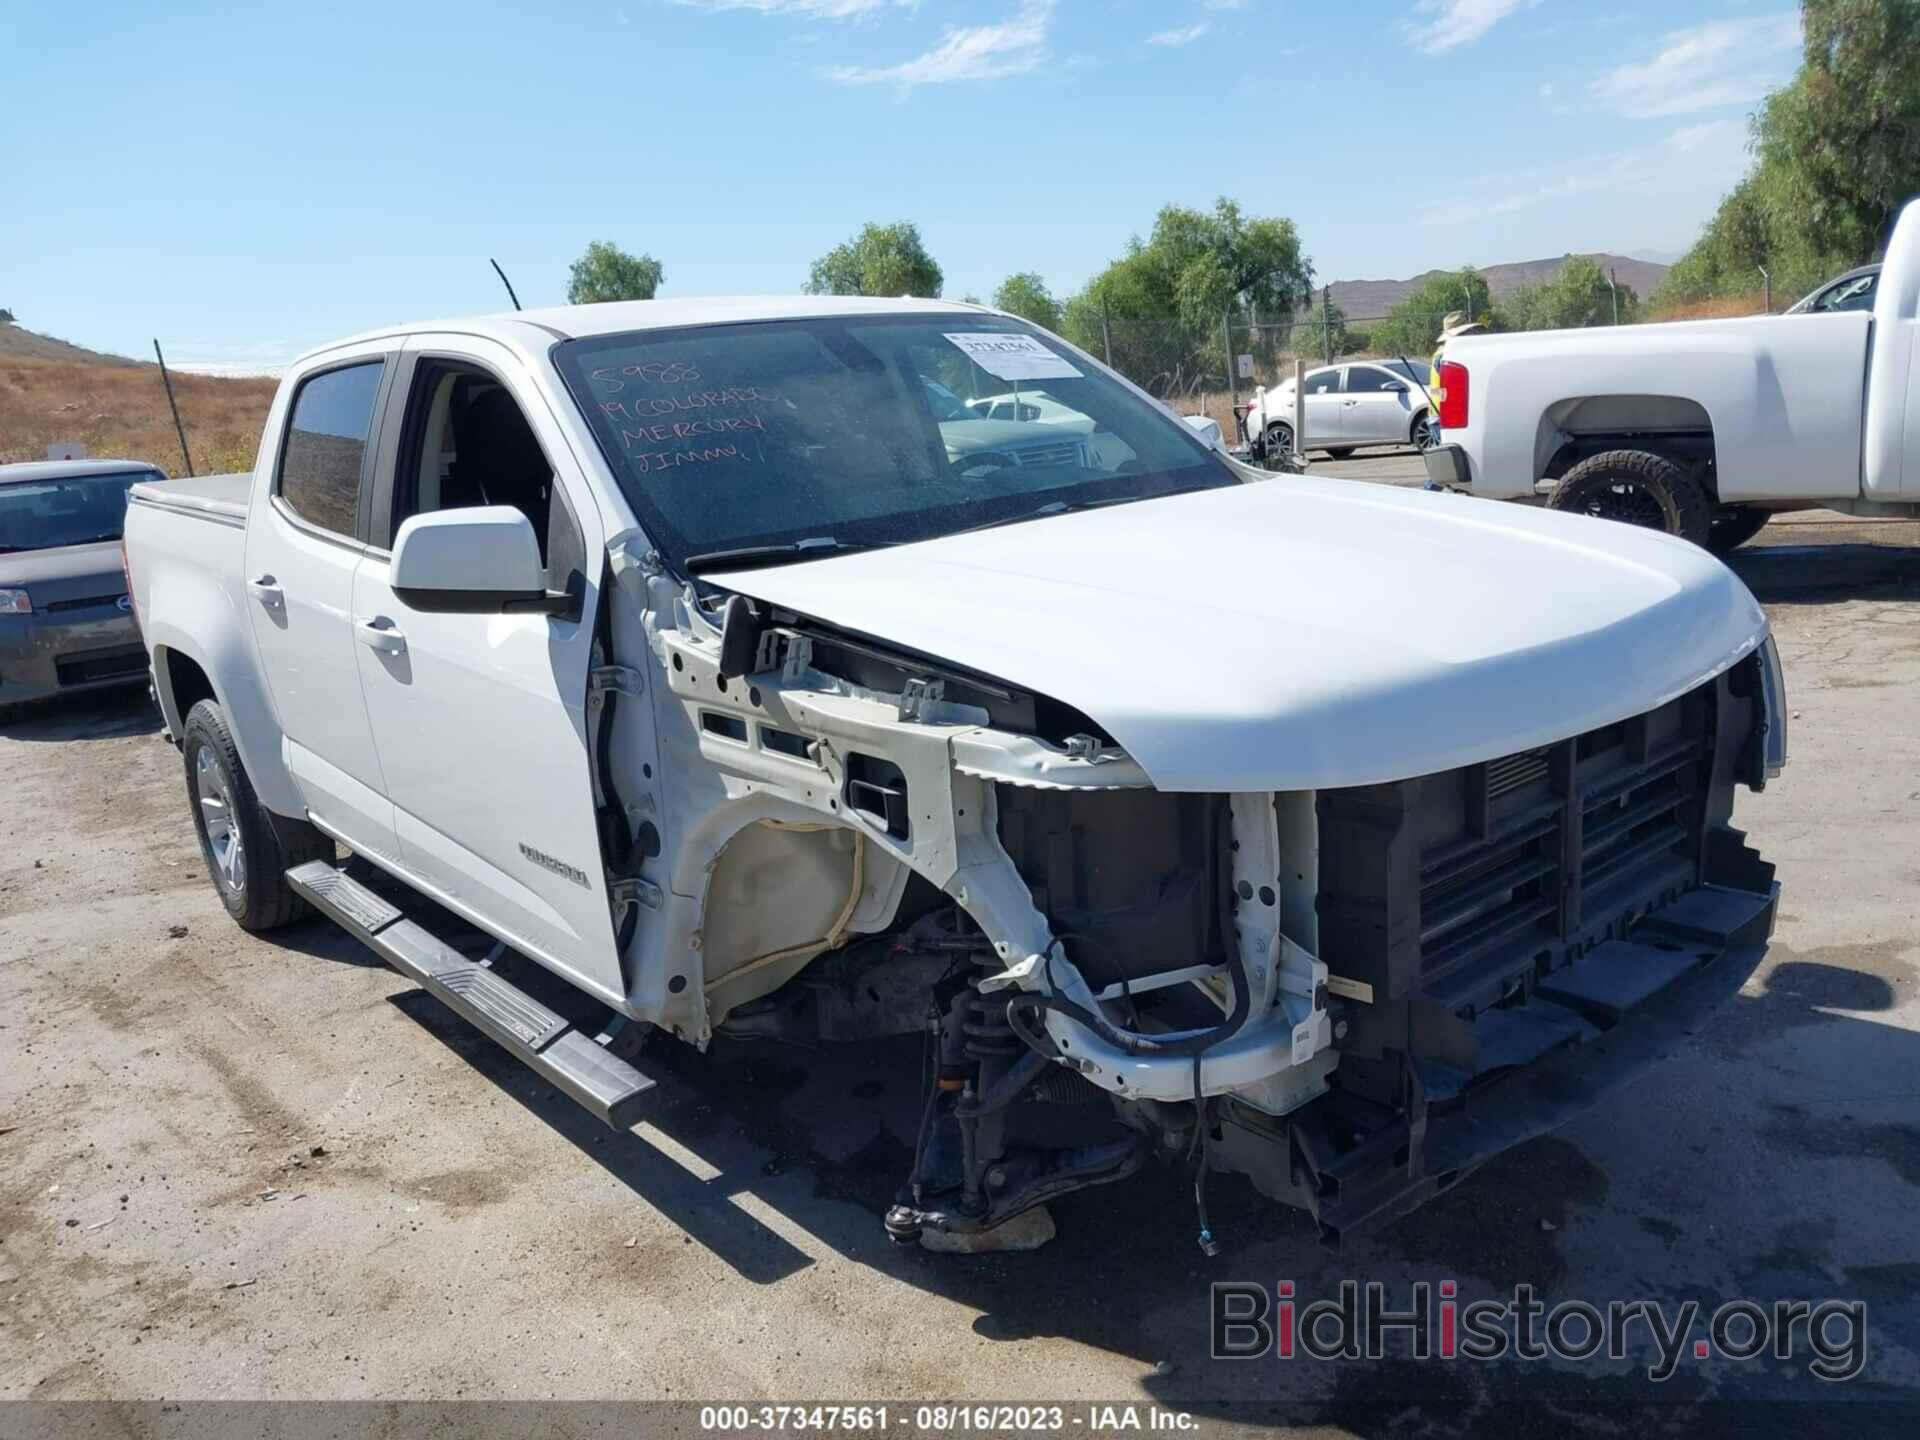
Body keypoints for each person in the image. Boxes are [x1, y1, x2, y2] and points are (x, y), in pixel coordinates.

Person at [1428, 310, 1488, 416]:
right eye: (1467, 332)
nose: (1470, 334)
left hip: (1441, 411)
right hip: (1443, 414)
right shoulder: (1447, 356)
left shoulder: (1444, 352)